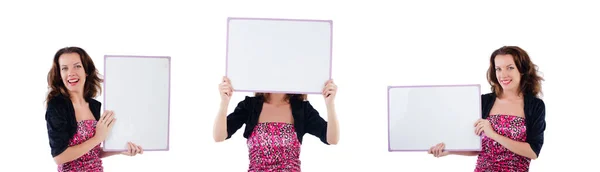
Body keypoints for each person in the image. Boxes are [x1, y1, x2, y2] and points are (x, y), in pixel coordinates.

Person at [428, 46, 546, 172]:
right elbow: (477, 147)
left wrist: (493, 135)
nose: (503, 75)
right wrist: (449, 150)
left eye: (510, 68)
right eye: (498, 69)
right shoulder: (483, 101)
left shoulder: (535, 106)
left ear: (522, 70)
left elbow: (533, 152)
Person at [45, 47, 143, 171]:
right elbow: (59, 157)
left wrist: (119, 149)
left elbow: (93, 152)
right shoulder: (57, 106)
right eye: (64, 68)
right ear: (60, 75)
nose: (71, 72)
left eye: (77, 66)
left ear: (86, 71)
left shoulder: (94, 105)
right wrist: (98, 137)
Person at [213, 76, 340, 171]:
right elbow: (219, 136)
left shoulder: (302, 109)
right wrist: (224, 102)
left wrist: (330, 104)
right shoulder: (249, 106)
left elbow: (332, 139)